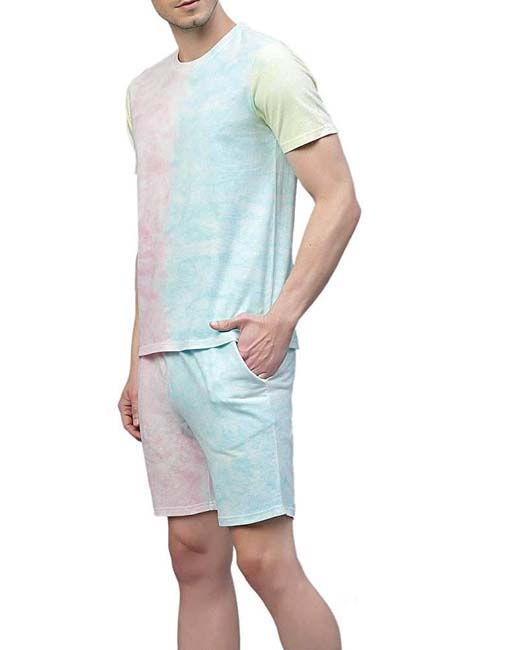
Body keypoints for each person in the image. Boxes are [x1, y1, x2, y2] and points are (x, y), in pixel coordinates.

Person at [118, 2, 360, 648]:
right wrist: (136, 360)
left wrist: (282, 318)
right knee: (192, 555)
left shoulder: (266, 65)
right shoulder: (142, 92)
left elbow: (339, 197)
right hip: (162, 361)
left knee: (265, 560)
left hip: (236, 354)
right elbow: (157, 232)